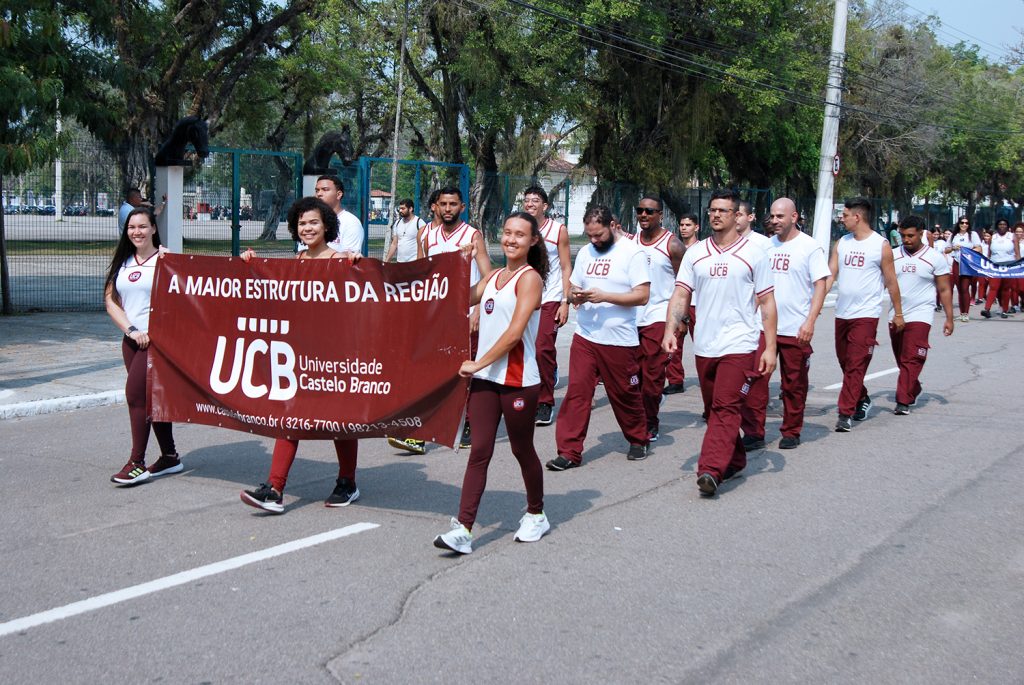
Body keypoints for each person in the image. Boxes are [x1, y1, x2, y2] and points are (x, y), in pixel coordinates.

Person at [433, 212, 550, 555]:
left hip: (517, 381)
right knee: (479, 452)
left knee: (521, 448)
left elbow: (515, 333)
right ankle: (463, 529)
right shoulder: (494, 277)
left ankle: (536, 512)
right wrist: (459, 261)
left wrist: (477, 362)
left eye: (520, 235)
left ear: (533, 241)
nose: (512, 239)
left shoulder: (531, 280)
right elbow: (452, 297)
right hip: (485, 380)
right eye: (508, 233)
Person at [239, 197, 361, 514]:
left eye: (313, 223)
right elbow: (272, 293)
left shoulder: (343, 261)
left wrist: (359, 266)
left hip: (334, 356)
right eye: (302, 223)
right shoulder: (295, 262)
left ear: (327, 226)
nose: (307, 228)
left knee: (339, 422)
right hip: (298, 355)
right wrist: (252, 265)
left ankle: (347, 482)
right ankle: (275, 488)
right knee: (289, 417)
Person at [663, 189, 777, 496]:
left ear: (736, 216)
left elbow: (767, 303)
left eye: (723, 211)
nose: (715, 215)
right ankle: (736, 458)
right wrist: (669, 330)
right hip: (706, 345)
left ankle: (711, 469)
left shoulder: (755, 253)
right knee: (716, 408)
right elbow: (681, 294)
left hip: (740, 344)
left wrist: (770, 347)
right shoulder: (696, 253)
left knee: (726, 407)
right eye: (712, 210)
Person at [546, 205, 651, 471]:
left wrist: (605, 296)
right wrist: (576, 295)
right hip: (586, 336)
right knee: (577, 393)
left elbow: (642, 296)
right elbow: (572, 289)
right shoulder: (585, 253)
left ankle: (639, 437)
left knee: (624, 393)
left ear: (613, 225)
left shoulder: (632, 253)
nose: (593, 241)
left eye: (598, 235)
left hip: (618, 339)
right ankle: (569, 451)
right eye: (589, 235)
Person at [740, 197, 830, 450]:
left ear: (794, 217)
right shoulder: (765, 247)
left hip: (795, 328)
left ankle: (791, 430)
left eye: (780, 216)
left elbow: (820, 284)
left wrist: (810, 321)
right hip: (764, 327)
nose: (775, 220)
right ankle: (754, 432)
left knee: (794, 383)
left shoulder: (809, 247)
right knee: (756, 379)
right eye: (772, 216)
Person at [104, 206, 180, 485]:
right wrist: (132, 330)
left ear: (153, 229)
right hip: (132, 341)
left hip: (156, 343)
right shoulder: (123, 262)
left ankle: (136, 462)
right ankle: (170, 456)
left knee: (136, 396)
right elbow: (111, 301)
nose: (137, 232)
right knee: (152, 399)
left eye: (142, 226)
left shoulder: (166, 259)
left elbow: (187, 298)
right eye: (131, 227)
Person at [421, 187, 492, 448]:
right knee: (434, 369)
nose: (448, 208)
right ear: (436, 207)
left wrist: (477, 311)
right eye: (443, 204)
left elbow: (488, 276)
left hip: (465, 312)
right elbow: (421, 275)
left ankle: (470, 422)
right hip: (437, 314)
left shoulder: (472, 235)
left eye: (453, 204)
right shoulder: (427, 236)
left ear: (462, 207)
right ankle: (433, 421)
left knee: (466, 369)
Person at [829, 197, 904, 432]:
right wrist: (815, 304)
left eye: (845, 215)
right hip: (842, 313)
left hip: (866, 315)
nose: (842, 219)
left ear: (857, 217)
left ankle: (845, 413)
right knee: (845, 361)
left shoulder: (880, 245)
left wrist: (898, 314)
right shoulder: (842, 243)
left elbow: (891, 282)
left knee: (855, 363)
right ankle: (861, 398)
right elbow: (830, 275)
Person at [629, 196, 683, 442]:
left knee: (651, 375)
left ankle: (650, 422)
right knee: (634, 375)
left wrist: (681, 319)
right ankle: (646, 407)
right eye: (640, 210)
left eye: (649, 211)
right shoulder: (630, 243)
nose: (643, 215)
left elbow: (684, 285)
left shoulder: (672, 245)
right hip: (632, 317)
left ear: (660, 214)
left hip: (659, 315)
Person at [889, 215, 954, 415]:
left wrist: (950, 318)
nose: (906, 240)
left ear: (921, 234)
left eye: (910, 236)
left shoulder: (934, 257)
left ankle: (903, 401)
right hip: (896, 313)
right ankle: (913, 387)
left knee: (912, 357)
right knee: (902, 358)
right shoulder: (892, 255)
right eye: (902, 236)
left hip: (921, 313)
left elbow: (944, 289)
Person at [521, 186, 571, 427]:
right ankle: (534, 386)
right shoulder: (520, 227)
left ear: (545, 206)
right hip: (523, 297)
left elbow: (565, 266)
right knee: (524, 349)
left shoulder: (557, 230)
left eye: (535, 200)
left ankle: (545, 402)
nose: (530, 204)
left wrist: (565, 301)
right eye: (527, 200)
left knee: (542, 347)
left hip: (549, 298)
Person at [663, 213, 700, 395]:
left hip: (697, 305)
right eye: (682, 225)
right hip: (678, 302)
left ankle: (711, 376)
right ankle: (675, 380)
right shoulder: (674, 248)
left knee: (702, 343)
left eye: (688, 225)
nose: (684, 228)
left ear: (696, 227)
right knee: (675, 341)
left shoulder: (701, 249)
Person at [306, 175, 364, 256]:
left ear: (338, 194)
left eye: (325, 190)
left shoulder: (351, 223)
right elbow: (302, 255)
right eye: (317, 190)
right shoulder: (308, 222)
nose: (319, 194)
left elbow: (348, 258)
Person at [981, 219, 1021, 319]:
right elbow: (989, 255)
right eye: (1000, 224)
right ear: (997, 226)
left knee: (1005, 289)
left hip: (1009, 266)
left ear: (1007, 226)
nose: (1002, 226)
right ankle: (987, 309)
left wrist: (1019, 267)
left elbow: (1017, 253)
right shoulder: (993, 237)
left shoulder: (1012, 236)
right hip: (995, 266)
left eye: (1004, 224)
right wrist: (987, 268)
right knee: (993, 287)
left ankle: (1004, 310)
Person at [949, 217, 982, 322]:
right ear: (958, 224)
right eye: (962, 223)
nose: (964, 225)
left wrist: (967, 250)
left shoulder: (972, 235)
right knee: (959, 289)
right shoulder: (953, 235)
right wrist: (954, 248)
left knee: (964, 288)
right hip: (956, 263)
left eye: (966, 223)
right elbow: (946, 250)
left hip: (967, 264)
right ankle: (961, 313)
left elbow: (979, 248)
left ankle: (966, 313)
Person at [384, 198, 425, 263]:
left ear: (410, 209)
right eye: (400, 208)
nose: (400, 211)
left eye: (403, 208)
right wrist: (386, 261)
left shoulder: (419, 222)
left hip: (414, 262)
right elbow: (394, 244)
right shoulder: (397, 223)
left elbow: (424, 244)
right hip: (400, 262)